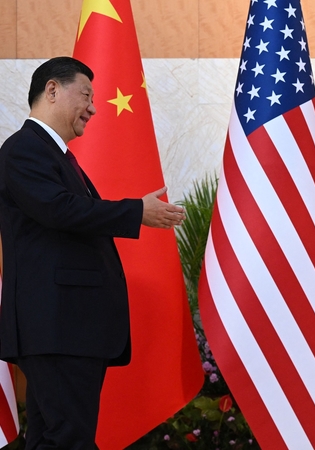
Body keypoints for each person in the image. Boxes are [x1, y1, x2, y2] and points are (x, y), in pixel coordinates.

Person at [0, 56, 186, 449]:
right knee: (69, 439)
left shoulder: (52, 154)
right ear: (52, 90)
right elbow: (59, 210)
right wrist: (136, 212)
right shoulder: (24, 149)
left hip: (65, 329)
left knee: (53, 439)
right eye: (86, 95)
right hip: (57, 328)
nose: (93, 108)